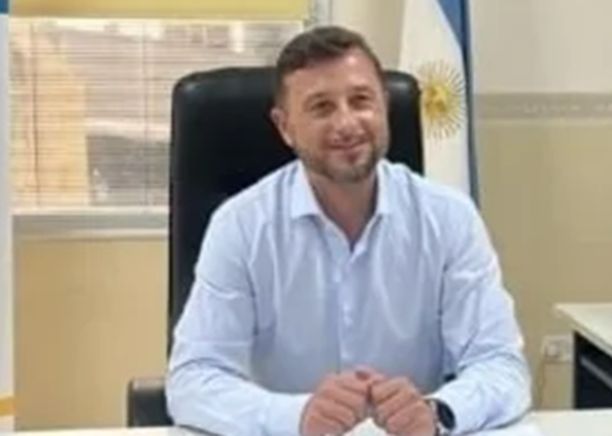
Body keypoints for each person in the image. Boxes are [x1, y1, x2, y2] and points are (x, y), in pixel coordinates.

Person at [165, 25, 531, 436]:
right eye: (321, 107)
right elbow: (193, 380)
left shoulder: (449, 219)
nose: (346, 123)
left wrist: (437, 412)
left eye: (361, 100)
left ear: (384, 106)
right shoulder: (241, 226)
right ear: (285, 127)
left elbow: (501, 365)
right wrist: (297, 416)